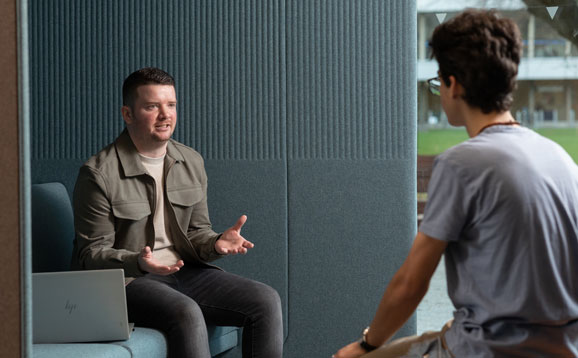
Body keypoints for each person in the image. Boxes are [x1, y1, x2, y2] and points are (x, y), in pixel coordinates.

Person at [334, 9, 578, 358]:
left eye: (439, 81)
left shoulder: (461, 164)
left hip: (486, 350)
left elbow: (410, 284)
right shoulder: (561, 160)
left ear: (454, 85)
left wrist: (366, 344)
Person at [71, 67, 283, 358]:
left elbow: (196, 232)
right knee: (186, 311)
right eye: (151, 106)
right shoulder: (98, 173)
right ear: (128, 114)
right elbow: (91, 255)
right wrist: (139, 263)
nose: (165, 115)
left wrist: (216, 242)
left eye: (171, 105)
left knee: (266, 300)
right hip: (131, 282)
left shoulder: (190, 160)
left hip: (185, 271)